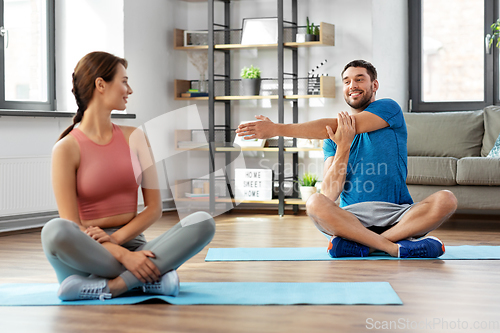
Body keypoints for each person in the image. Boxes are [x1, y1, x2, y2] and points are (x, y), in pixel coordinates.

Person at [236, 59, 457, 258]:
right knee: (314, 202)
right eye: (347, 81)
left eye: (360, 79)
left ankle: (367, 247)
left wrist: (276, 128)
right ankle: (393, 247)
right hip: (352, 220)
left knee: (446, 199)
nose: (353, 85)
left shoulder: (389, 109)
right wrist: (343, 146)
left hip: (397, 214)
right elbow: (330, 194)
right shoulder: (332, 140)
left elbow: (332, 126)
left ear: (374, 85)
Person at [41, 51, 216, 301]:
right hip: (87, 252)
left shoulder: (136, 138)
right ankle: (150, 277)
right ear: (101, 84)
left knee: (202, 222)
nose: (129, 89)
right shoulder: (66, 148)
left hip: (135, 244)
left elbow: (154, 208)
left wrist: (120, 241)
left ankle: (113, 286)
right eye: (124, 81)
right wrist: (122, 255)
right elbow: (73, 224)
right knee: (55, 230)